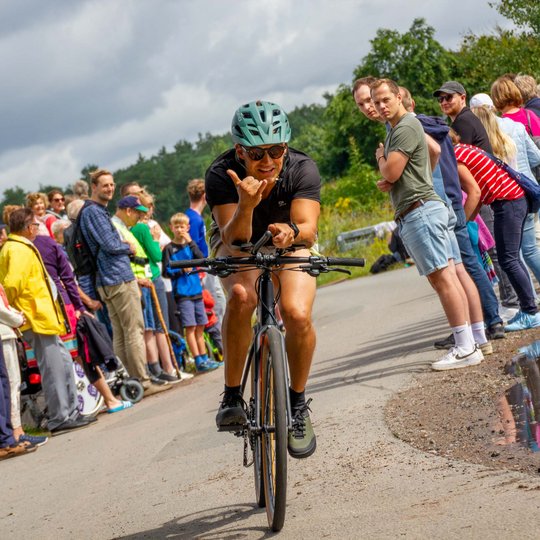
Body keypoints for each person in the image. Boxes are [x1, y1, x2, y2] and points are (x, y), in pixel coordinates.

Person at [205, 100, 321, 458]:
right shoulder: (221, 174)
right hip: (235, 237)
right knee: (242, 296)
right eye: (257, 153)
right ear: (240, 151)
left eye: (276, 150)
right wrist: (246, 204)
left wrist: (290, 232)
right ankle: (232, 395)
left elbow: (309, 230)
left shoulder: (302, 168)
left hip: (288, 239)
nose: (268, 160)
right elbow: (233, 239)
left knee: (296, 313)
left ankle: (297, 404)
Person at [371, 79, 483, 371]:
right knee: (448, 276)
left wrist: (382, 159)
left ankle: (464, 347)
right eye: (376, 102)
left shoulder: (405, 126)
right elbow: (433, 151)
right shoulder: (407, 126)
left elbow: (392, 171)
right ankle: (469, 341)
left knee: (443, 279)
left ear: (399, 97)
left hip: (420, 210)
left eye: (386, 99)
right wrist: (418, 175)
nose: (381, 106)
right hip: (425, 206)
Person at [0, 208, 96, 434]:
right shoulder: (17, 249)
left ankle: (70, 411)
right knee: (53, 367)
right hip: (35, 318)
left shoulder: (18, 247)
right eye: (35, 225)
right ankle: (59, 417)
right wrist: (17, 312)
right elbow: (12, 285)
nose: (37, 228)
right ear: (26, 227)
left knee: (62, 362)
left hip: (43, 317)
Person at [79, 169, 170, 397]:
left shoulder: (96, 211)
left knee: (121, 333)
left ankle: (131, 380)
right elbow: (109, 245)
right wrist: (126, 247)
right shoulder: (95, 212)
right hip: (117, 277)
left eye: (111, 184)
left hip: (108, 279)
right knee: (134, 331)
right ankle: (143, 380)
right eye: (104, 185)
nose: (109, 188)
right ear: (94, 187)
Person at [452, 136, 540, 331]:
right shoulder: (464, 149)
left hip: (508, 202)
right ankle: (528, 309)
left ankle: (531, 312)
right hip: (512, 200)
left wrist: (462, 223)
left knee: (508, 259)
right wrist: (471, 219)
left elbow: (474, 193)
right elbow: (480, 193)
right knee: (510, 258)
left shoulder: (455, 157)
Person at [162, 212, 218, 373]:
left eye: (182, 226)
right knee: (191, 327)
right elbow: (166, 271)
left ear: (187, 228)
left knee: (201, 325)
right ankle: (198, 359)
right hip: (183, 293)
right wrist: (180, 270)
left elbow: (201, 258)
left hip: (196, 291)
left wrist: (191, 241)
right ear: (172, 228)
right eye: (177, 226)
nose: (180, 229)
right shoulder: (169, 249)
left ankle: (205, 357)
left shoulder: (189, 245)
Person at [185, 178, 226, 323]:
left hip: (204, 265)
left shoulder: (191, 216)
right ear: (204, 196)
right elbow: (192, 245)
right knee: (216, 300)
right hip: (202, 266)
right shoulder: (194, 219)